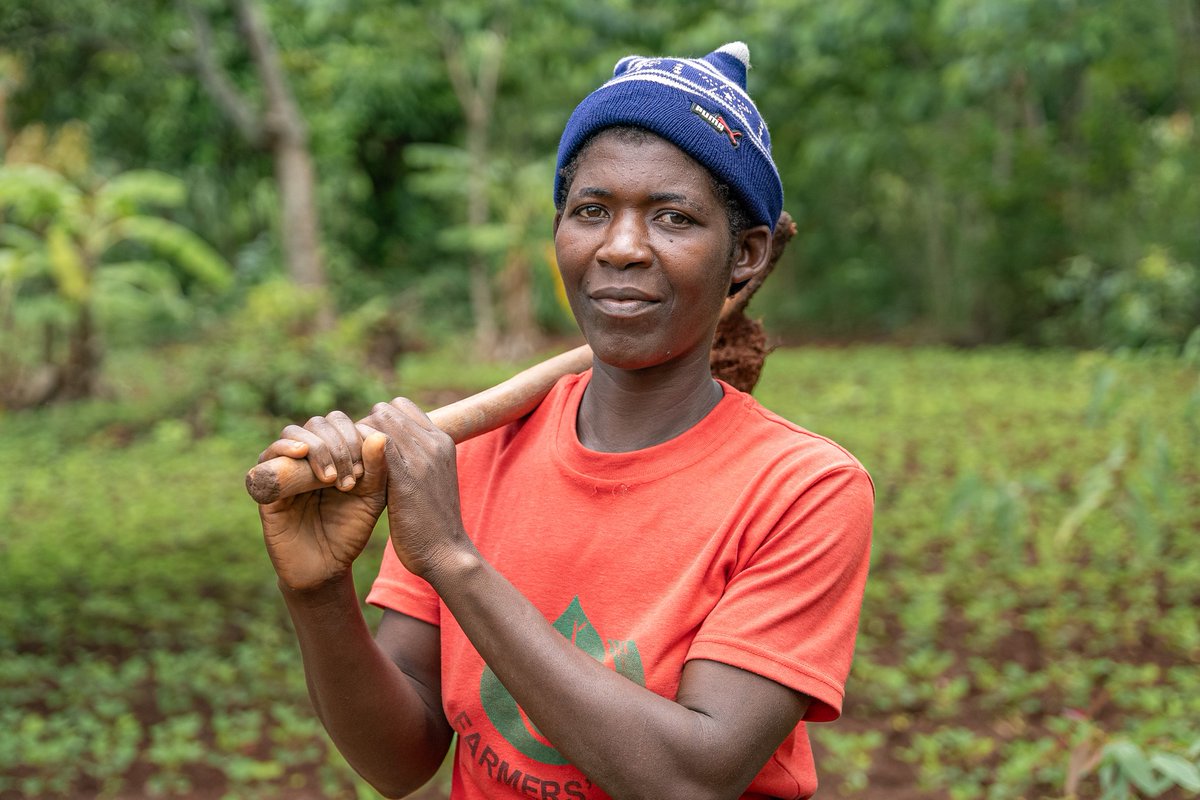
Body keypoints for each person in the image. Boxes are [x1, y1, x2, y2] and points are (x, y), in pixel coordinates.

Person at [255, 42, 873, 800]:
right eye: (591, 211)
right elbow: (401, 758)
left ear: (744, 257)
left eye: (673, 217)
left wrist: (453, 558)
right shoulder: (476, 452)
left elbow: (692, 780)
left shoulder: (802, 490)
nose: (620, 248)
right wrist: (319, 596)